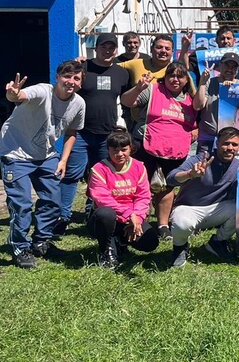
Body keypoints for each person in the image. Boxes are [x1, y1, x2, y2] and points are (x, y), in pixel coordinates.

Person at [1, 62, 86, 268]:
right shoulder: (42, 91)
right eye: (67, 77)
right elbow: (19, 97)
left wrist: (63, 160)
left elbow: (72, 132)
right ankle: (20, 247)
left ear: (81, 83)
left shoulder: (79, 104)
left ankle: (40, 241)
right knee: (22, 205)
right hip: (15, 152)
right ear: (57, 77)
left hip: (46, 155)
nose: (71, 82)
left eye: (76, 79)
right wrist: (13, 94)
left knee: (53, 201)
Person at [121, 61, 208, 239]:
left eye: (180, 76)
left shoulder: (190, 98)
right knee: (140, 186)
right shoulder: (152, 89)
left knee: (167, 187)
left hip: (176, 150)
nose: (175, 79)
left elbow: (199, 107)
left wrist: (204, 82)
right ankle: (136, 220)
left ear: (186, 80)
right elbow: (126, 101)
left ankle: (162, 225)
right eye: (171, 75)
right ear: (165, 77)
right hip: (146, 145)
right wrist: (138, 88)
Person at [58, 32, 131, 236]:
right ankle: (63, 217)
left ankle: (94, 213)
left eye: (111, 47)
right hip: (80, 132)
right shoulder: (83, 68)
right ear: (96, 48)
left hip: (106, 135)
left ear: (116, 50)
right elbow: (65, 79)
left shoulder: (121, 73)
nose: (107, 50)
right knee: (71, 175)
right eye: (103, 47)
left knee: (99, 177)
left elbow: (127, 99)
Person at [166, 127, 239, 267]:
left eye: (234, 144)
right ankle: (179, 248)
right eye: (225, 143)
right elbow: (171, 178)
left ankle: (217, 243)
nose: (229, 148)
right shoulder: (201, 158)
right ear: (217, 143)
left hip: (216, 210)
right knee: (181, 224)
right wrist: (190, 174)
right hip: (189, 209)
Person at [86, 128, 160, 269]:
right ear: (108, 150)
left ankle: (120, 242)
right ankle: (106, 251)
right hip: (106, 220)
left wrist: (137, 218)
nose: (119, 154)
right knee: (105, 213)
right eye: (114, 150)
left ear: (130, 149)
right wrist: (128, 214)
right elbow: (103, 199)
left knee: (150, 242)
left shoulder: (139, 167)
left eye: (123, 149)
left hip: (131, 218)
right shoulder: (98, 169)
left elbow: (143, 196)